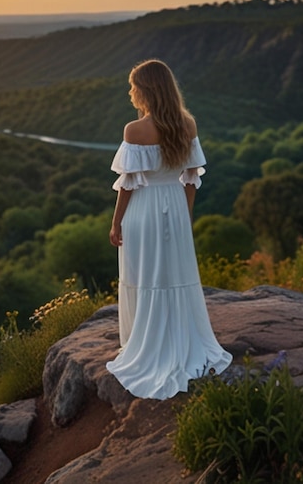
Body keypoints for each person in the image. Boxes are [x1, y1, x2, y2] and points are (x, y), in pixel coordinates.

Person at [106, 59, 232, 400]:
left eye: (134, 86)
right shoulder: (187, 124)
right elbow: (191, 179)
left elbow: (129, 185)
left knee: (144, 275)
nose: (130, 93)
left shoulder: (134, 131)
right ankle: (181, 339)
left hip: (144, 210)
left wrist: (116, 222)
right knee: (174, 275)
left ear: (147, 90)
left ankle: (143, 343)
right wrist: (183, 216)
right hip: (175, 207)